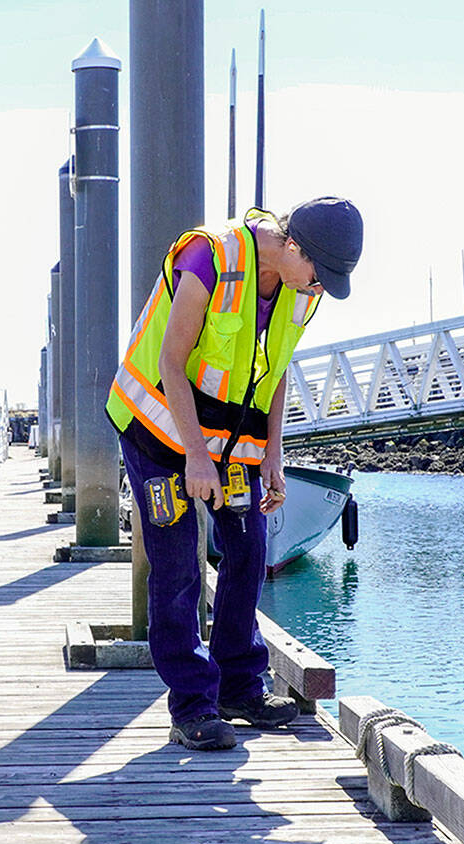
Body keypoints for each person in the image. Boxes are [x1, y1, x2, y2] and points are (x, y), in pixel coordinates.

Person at [106, 197, 364, 750]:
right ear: (294, 247)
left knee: (247, 551)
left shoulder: (298, 294)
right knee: (177, 564)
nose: (320, 288)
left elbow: (274, 373)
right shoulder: (209, 257)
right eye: (320, 275)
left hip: (232, 442)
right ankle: (193, 706)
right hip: (156, 431)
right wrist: (194, 456)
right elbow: (171, 363)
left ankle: (240, 686)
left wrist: (273, 452)